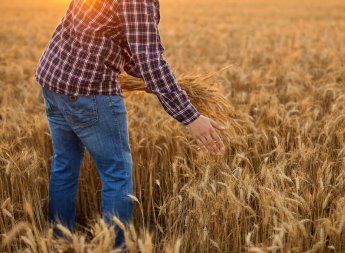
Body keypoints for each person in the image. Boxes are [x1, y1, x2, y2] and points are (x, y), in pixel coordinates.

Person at [35, 0, 225, 250]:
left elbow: (98, 33)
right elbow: (148, 59)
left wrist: (155, 81)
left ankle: (57, 242)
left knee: (64, 165)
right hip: (89, 89)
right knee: (117, 174)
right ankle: (117, 247)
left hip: (54, 79)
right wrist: (191, 117)